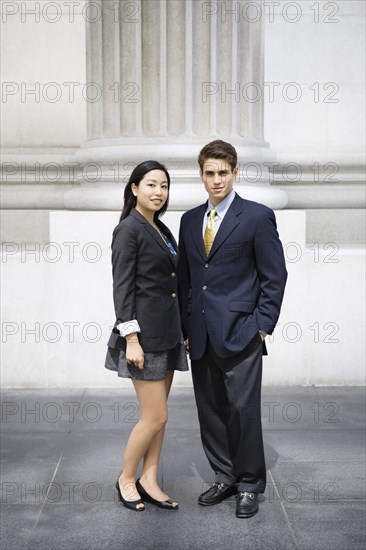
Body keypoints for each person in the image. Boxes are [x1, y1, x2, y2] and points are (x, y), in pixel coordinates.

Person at [177, 140, 287, 518]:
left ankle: (250, 483)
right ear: (201, 175)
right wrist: (185, 325)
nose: (216, 180)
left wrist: (262, 326)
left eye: (223, 172)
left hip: (242, 331)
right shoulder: (190, 220)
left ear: (235, 172)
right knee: (210, 409)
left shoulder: (256, 217)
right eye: (210, 173)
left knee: (243, 409)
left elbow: (275, 275)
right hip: (201, 332)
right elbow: (188, 280)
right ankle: (224, 475)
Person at [105, 160, 188, 511]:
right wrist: (132, 339)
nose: (159, 192)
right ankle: (127, 477)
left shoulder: (162, 229)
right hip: (144, 338)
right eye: (151, 185)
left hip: (168, 335)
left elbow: (170, 286)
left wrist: (182, 331)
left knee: (161, 414)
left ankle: (150, 479)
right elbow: (122, 288)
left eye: (164, 186)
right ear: (135, 188)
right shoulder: (129, 229)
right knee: (155, 416)